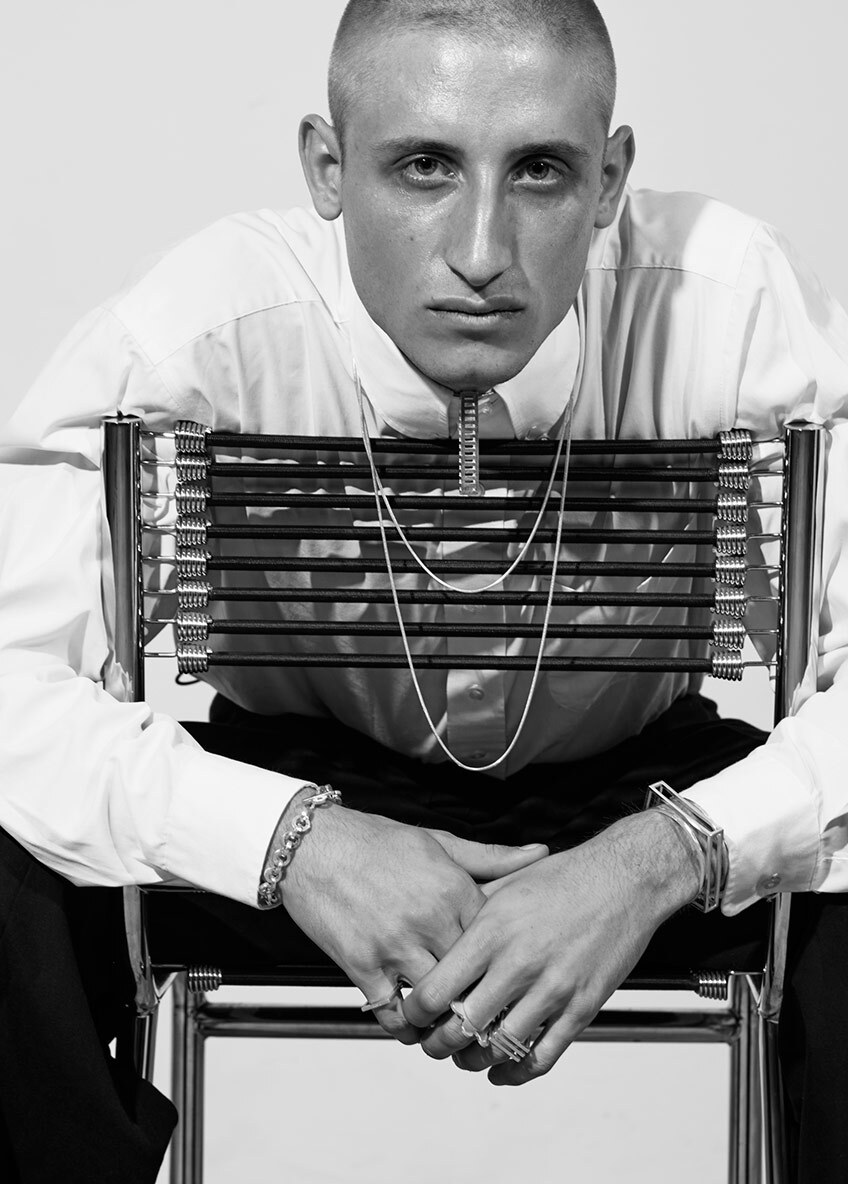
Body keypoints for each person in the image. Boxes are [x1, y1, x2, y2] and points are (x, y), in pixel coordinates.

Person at [1, 0, 847, 1180]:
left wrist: (660, 855)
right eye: (423, 167)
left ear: (608, 179)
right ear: (327, 166)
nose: (481, 250)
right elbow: (11, 686)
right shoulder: (199, 331)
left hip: (642, 790)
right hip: (294, 779)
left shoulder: (726, 301)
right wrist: (290, 841)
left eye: (539, 170)